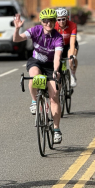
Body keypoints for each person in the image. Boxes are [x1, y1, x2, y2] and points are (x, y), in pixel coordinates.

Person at [13, 8, 64, 144]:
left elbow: (57, 57)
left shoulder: (58, 38)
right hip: (36, 62)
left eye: (52, 21)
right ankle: (35, 102)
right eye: (46, 21)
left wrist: (55, 70)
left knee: (54, 96)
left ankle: (56, 130)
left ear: (54, 22)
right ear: (41, 21)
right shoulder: (36, 30)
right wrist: (17, 29)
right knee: (35, 77)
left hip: (50, 65)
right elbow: (16, 39)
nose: (48, 23)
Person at [54, 8, 79, 87]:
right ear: (56, 19)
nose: (61, 21)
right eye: (59, 19)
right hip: (59, 46)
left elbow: (72, 43)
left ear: (67, 18)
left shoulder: (72, 25)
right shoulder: (54, 26)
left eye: (63, 19)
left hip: (69, 45)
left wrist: (72, 55)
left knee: (72, 59)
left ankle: (72, 75)